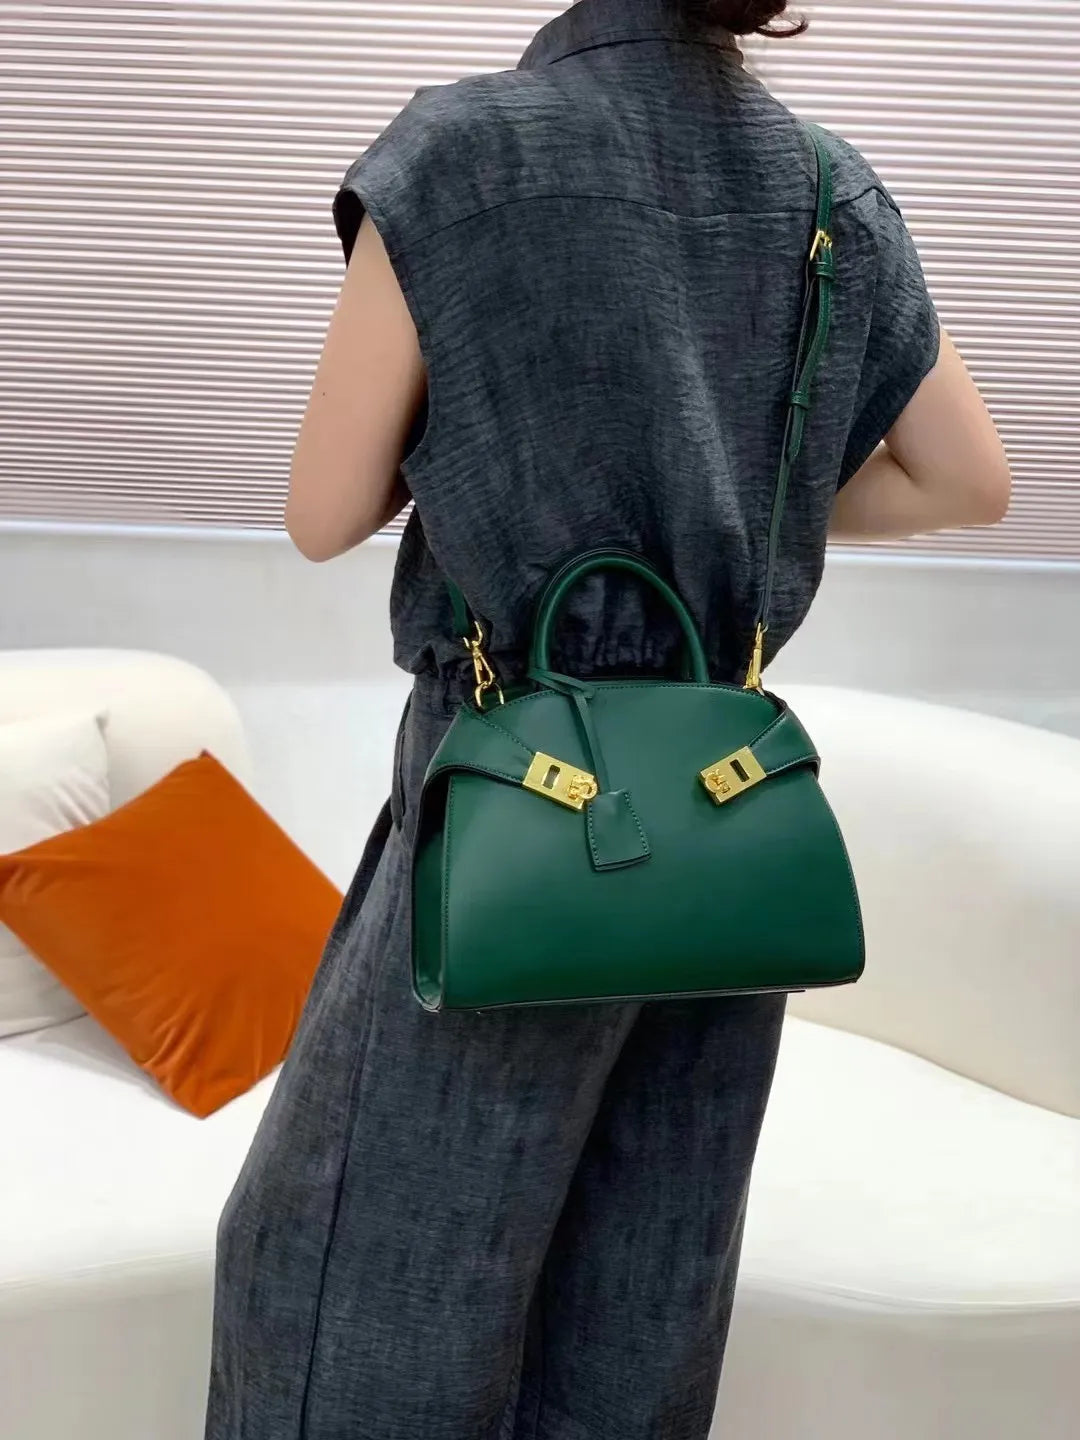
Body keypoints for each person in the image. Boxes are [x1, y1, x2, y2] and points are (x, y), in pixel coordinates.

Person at [206, 2, 1011, 1437]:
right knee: (637, 1291)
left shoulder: (464, 153)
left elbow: (323, 512)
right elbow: (968, 480)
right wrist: (729, 501)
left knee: (345, 1275)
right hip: (720, 811)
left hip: (523, 793)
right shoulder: (832, 190)